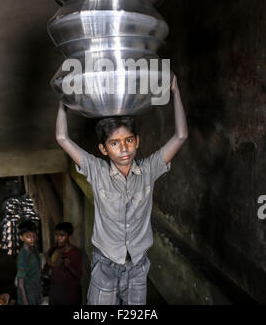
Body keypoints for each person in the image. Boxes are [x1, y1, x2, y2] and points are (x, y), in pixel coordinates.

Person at [55, 74, 188, 305]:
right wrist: (62, 101)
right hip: (105, 265)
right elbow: (62, 137)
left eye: (128, 140)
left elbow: (181, 135)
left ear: (137, 141)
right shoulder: (97, 171)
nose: (123, 149)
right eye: (114, 143)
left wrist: (176, 92)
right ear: (104, 149)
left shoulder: (149, 170)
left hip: (137, 266)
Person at [45, 222, 82, 305]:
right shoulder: (54, 248)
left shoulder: (75, 253)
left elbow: (79, 276)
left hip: (70, 296)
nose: (58, 238)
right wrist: (48, 260)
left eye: (62, 235)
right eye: (57, 235)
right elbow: (47, 267)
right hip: (56, 294)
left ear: (69, 237)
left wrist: (69, 266)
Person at [16, 220, 42, 305]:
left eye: (34, 235)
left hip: (36, 291)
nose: (32, 239)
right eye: (28, 236)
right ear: (21, 237)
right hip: (27, 295)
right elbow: (20, 285)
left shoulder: (34, 249)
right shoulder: (23, 257)